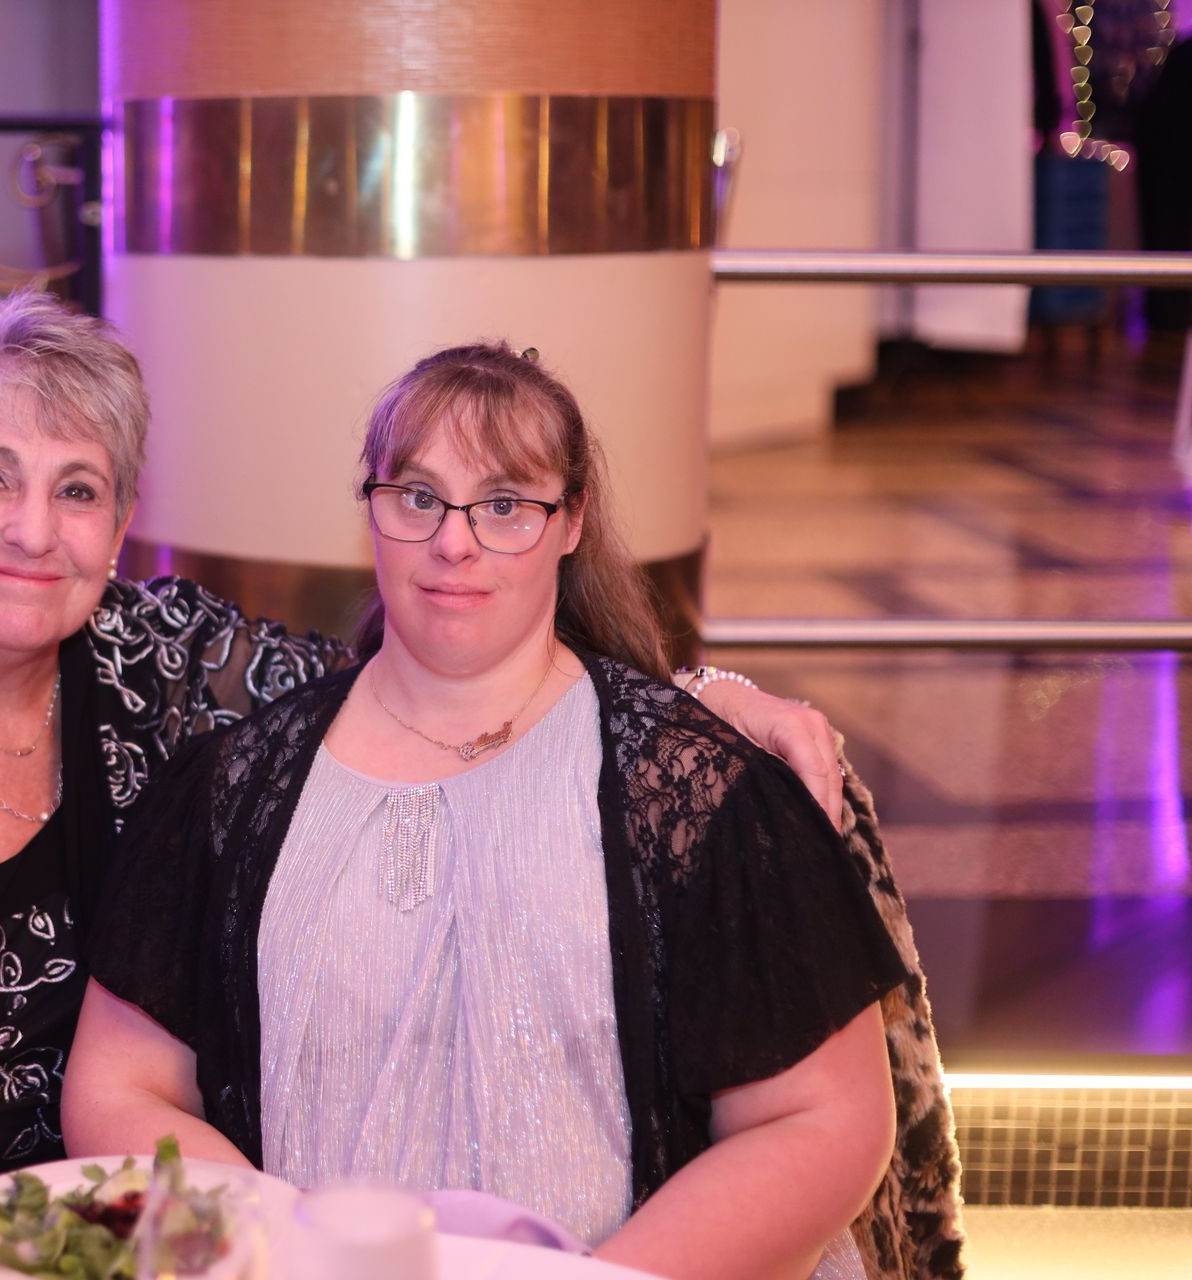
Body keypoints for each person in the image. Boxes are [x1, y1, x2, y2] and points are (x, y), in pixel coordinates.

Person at [0, 293, 847, 1177]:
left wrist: (700, 697)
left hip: (68, 1234)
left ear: (118, 528)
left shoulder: (161, 663)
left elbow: (428, 666)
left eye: (77, 490)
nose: (33, 530)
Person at [63, 341, 914, 1280]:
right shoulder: (234, 784)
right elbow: (119, 1088)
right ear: (372, 507)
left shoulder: (692, 791)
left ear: (572, 520)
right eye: (418, 497)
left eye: (504, 504)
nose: (453, 543)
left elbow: (823, 1122)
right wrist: (280, 1250)